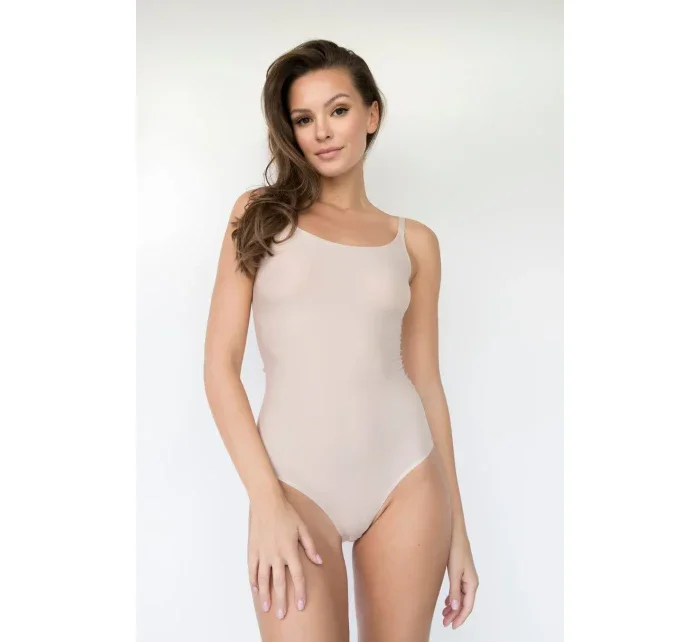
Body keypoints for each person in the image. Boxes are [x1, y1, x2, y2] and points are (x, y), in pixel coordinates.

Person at [204, 39, 478, 641]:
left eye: (339, 110)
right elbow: (220, 366)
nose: (322, 132)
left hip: (407, 479)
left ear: (371, 115)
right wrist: (265, 501)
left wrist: (458, 530)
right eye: (304, 119)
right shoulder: (259, 216)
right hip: (294, 485)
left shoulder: (415, 242)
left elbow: (426, 383)